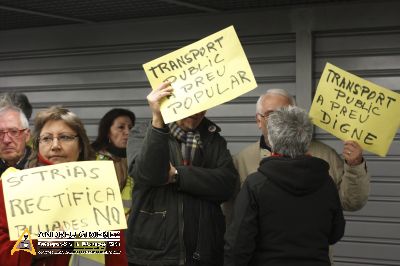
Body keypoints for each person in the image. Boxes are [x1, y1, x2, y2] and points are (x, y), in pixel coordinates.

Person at [126, 82, 238, 266]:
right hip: (155, 254)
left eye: (203, 104)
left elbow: (227, 185)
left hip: (204, 252)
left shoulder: (213, 139)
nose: (198, 111)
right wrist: (158, 121)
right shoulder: (144, 132)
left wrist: (178, 175)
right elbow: (149, 174)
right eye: (191, 102)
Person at [224, 106, 345, 266]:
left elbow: (238, 245)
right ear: (307, 141)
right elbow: (335, 233)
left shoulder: (256, 184)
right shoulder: (325, 182)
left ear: (272, 141)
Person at [230, 89, 370, 214]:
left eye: (285, 113)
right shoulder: (242, 160)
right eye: (270, 114)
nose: (279, 121)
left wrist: (354, 166)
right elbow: (232, 214)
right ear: (259, 120)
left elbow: (351, 203)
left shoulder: (325, 156)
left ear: (296, 117)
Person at [0, 106, 96, 265]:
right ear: (37, 145)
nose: (55, 145)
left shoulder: (100, 189)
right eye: (47, 138)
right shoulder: (14, 185)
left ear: (80, 145)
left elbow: (114, 251)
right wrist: (38, 246)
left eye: (65, 137)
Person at [70, 108, 136, 266]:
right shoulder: (91, 160)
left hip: (131, 237)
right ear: (108, 131)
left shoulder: (138, 159)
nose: (127, 132)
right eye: (121, 127)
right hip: (94, 235)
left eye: (130, 127)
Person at [0, 103, 31, 177]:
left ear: (27, 136)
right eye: (0, 133)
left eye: (14, 132)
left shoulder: (40, 166)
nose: (6, 140)